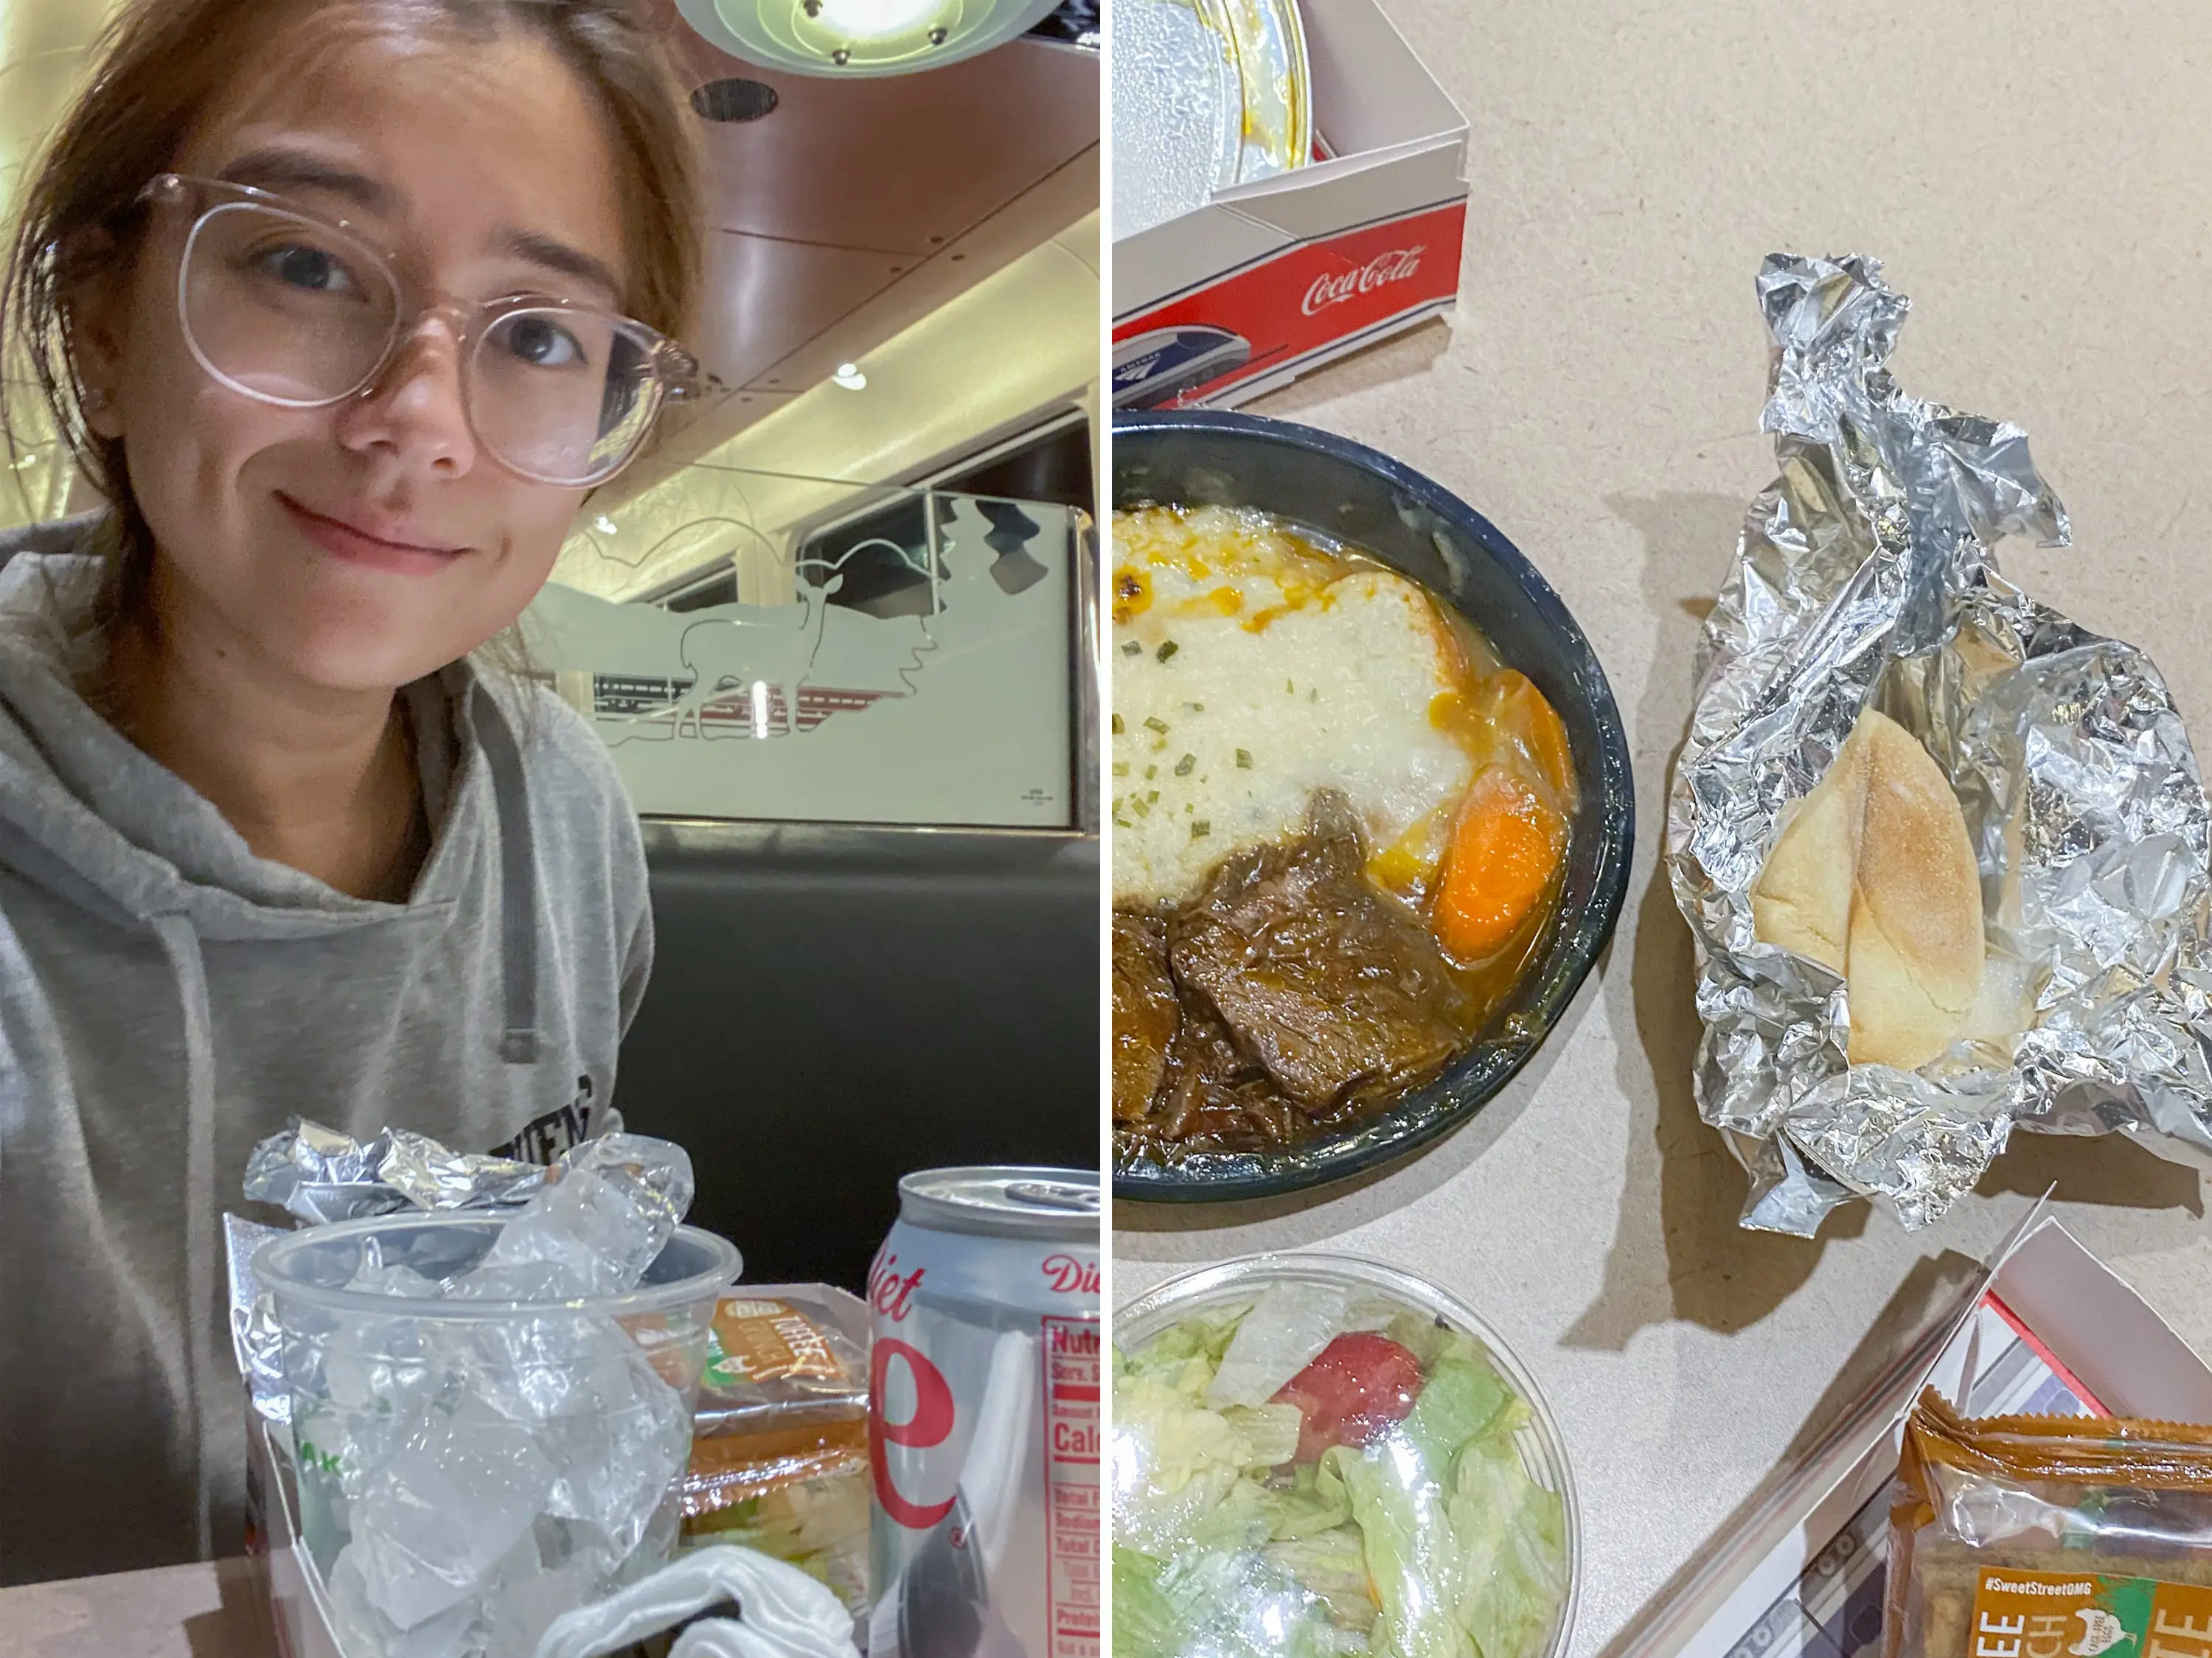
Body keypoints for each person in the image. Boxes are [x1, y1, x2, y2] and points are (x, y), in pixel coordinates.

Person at [0, 0, 705, 1582]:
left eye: (535, 335)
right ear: (103, 319)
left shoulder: (562, 818)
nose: (417, 420)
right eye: (307, 265)